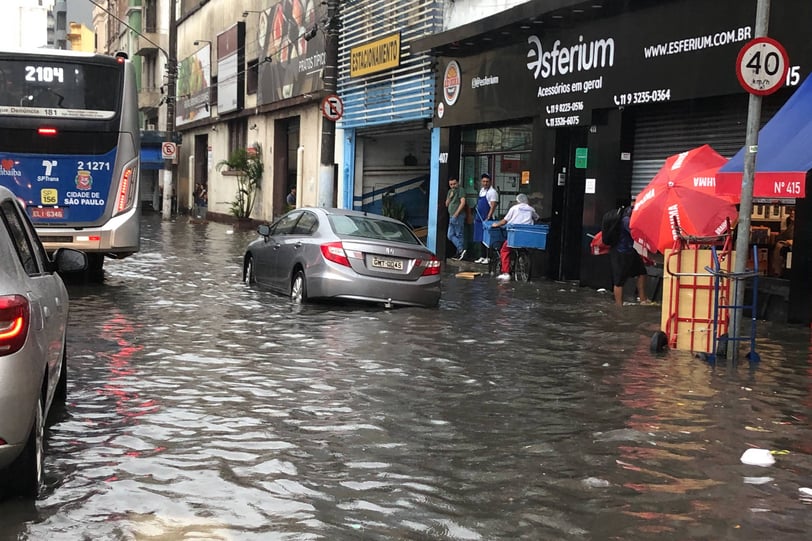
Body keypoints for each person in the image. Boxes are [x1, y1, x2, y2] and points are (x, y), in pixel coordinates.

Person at [490, 193, 539, 281]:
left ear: (517, 201)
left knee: (505, 250)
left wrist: (496, 224)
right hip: (527, 236)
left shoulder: (514, 208)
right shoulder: (531, 209)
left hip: (515, 235)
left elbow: (504, 221)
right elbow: (536, 218)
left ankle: (506, 273)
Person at [611, 205, 651, 306]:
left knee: (642, 272)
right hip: (621, 252)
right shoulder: (626, 220)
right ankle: (618, 306)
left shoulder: (629, 215)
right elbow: (634, 233)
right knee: (619, 281)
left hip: (629, 250)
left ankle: (643, 299)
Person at [473, 173, 498, 264]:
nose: (485, 183)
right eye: (483, 181)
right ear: (481, 182)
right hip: (479, 218)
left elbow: (493, 206)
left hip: (487, 219)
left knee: (487, 239)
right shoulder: (481, 191)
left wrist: (488, 217)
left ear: (490, 182)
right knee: (481, 238)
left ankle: (488, 257)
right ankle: (482, 256)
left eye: (487, 181)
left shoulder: (492, 192)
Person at [445, 176, 467, 260]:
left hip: (458, 215)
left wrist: (456, 213)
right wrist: (450, 197)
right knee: (450, 235)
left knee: (459, 234)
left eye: (454, 184)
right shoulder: (450, 191)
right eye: (451, 184)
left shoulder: (460, 190)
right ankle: (461, 250)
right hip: (451, 216)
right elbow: (446, 204)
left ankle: (460, 251)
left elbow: (463, 202)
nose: (453, 186)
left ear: (457, 183)